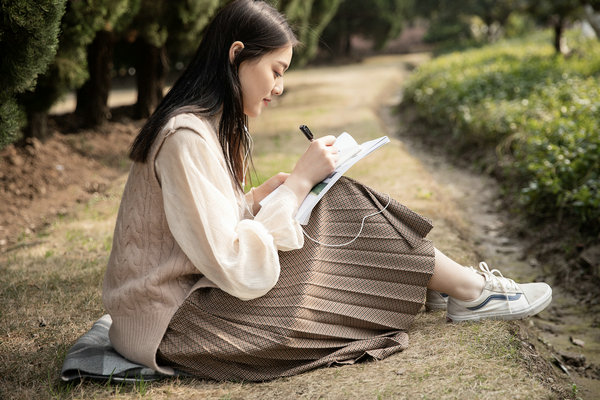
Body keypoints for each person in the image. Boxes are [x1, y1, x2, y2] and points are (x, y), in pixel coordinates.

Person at [102, 0, 552, 381]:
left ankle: (464, 289)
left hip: (189, 308)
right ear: (237, 54)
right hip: (180, 328)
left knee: (330, 194)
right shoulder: (185, 135)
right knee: (334, 200)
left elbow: (200, 227)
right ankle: (470, 291)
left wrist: (259, 198)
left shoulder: (203, 127)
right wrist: (296, 184)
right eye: (276, 71)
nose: (278, 88)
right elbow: (235, 264)